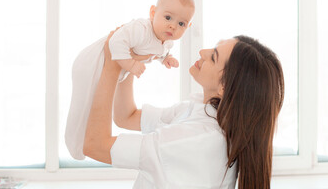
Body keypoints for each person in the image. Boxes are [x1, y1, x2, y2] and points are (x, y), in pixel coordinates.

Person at [83, 31, 285, 189]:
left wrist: (112, 62)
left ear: (224, 85)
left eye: (213, 57)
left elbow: (94, 145)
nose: (203, 52)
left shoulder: (197, 139)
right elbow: (126, 117)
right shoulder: (200, 110)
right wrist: (130, 61)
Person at [65, 0, 195, 160]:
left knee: (92, 106)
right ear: (153, 12)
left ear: (188, 27)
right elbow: (115, 41)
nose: (173, 25)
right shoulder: (141, 29)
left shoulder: (167, 42)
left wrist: (166, 60)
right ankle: (74, 143)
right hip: (92, 63)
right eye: (168, 17)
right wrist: (131, 64)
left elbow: (157, 53)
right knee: (83, 105)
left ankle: (79, 146)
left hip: (108, 69)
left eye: (181, 24)